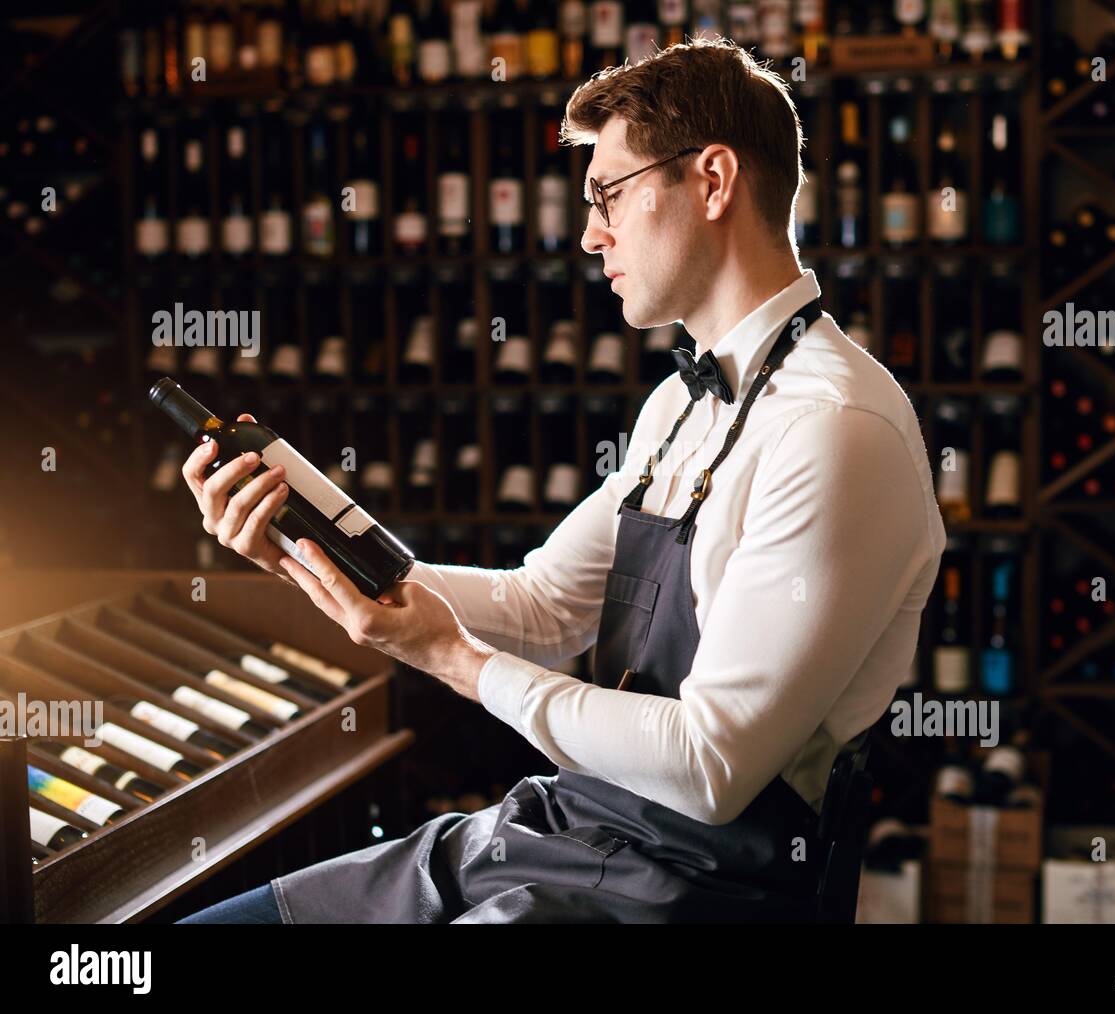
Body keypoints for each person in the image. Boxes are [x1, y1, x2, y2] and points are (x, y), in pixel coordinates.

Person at [176, 37, 945, 924]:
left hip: (698, 894)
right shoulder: (679, 404)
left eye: (608, 194)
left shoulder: (834, 429)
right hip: (569, 831)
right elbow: (544, 607)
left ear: (713, 179)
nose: (590, 234)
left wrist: (455, 661)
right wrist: (310, 546)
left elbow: (710, 766)